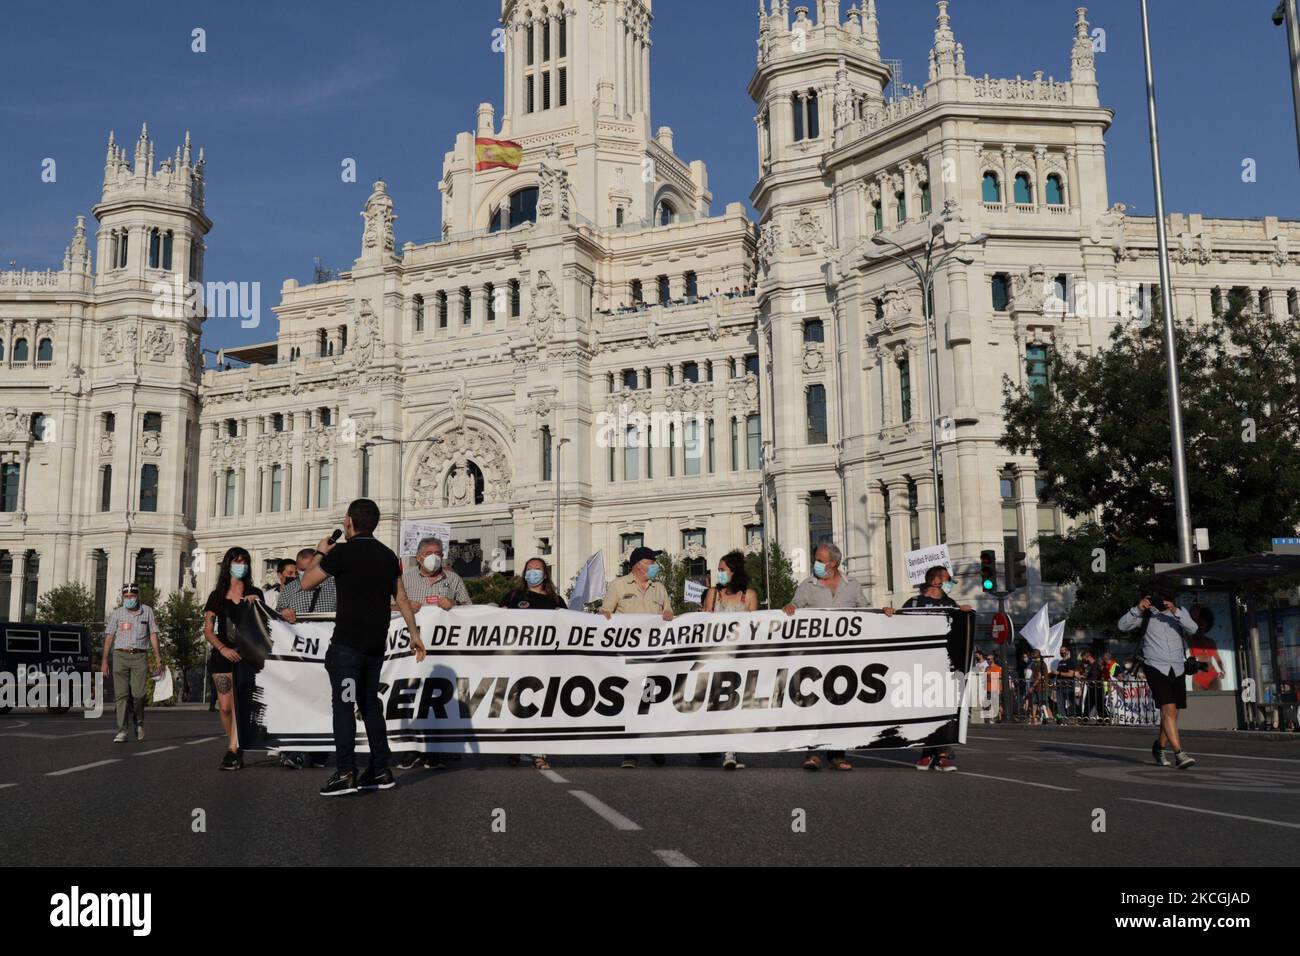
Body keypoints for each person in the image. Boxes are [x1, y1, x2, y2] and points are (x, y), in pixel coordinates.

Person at [302, 499, 426, 796]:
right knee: (370, 705)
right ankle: (380, 768)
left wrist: (321, 552)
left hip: (347, 646)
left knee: (344, 706)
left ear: (349, 522)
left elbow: (306, 582)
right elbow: (403, 597)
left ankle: (345, 771)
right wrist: (414, 633)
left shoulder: (341, 552)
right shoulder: (387, 555)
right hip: (374, 645)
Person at [783, 542, 893, 771]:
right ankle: (812, 754)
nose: (817, 564)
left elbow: (866, 611)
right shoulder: (808, 585)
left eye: (821, 560)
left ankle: (837, 754)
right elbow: (794, 606)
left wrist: (884, 613)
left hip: (844, 658)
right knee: (814, 704)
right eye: (816, 559)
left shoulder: (851, 585)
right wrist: (790, 607)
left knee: (839, 703)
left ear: (833, 563)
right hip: (815, 657)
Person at [601, 546, 674, 769]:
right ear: (637, 565)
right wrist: (603, 615)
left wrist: (670, 615)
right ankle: (630, 752)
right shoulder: (618, 586)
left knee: (653, 702)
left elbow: (669, 613)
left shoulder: (659, 588)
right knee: (631, 702)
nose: (655, 565)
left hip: (654, 658)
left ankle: (654, 746)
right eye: (651, 561)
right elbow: (605, 612)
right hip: (628, 658)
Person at [901, 565, 972, 771]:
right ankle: (926, 751)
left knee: (944, 709)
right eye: (947, 579)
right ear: (935, 582)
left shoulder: (950, 604)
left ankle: (941, 753)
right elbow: (899, 624)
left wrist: (964, 614)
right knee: (923, 710)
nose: (950, 583)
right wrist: (890, 613)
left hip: (944, 667)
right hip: (919, 666)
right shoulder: (914, 603)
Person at [498, 557, 565, 771]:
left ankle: (539, 754)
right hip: (516, 659)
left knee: (540, 706)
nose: (533, 573)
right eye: (529, 569)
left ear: (545, 574)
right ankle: (513, 750)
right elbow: (493, 620)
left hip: (544, 662)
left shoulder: (555, 600)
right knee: (515, 703)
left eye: (537, 569)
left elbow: (570, 626)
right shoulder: (514, 596)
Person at [1118, 588, 1197, 769]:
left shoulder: (1179, 613)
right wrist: (1138, 608)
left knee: (1173, 713)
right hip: (1155, 666)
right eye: (1157, 598)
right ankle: (1179, 753)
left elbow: (1193, 628)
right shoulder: (1145, 615)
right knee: (1167, 708)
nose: (1161, 602)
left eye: (1165, 598)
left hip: (1177, 667)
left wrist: (1175, 610)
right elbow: (1122, 626)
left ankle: (1160, 748)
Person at [201, 549, 265, 769]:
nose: (241, 565)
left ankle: (232, 749)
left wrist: (256, 603)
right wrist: (222, 648)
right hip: (222, 655)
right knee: (226, 706)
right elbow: (208, 630)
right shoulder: (216, 596)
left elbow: (264, 626)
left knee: (240, 705)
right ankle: (236, 744)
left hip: (247, 657)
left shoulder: (255, 592)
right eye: (237, 562)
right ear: (228, 565)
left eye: (244, 562)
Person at [703, 550, 758, 770]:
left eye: (722, 569)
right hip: (715, 657)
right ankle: (714, 743)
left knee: (734, 703)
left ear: (734, 571)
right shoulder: (713, 594)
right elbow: (704, 623)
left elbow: (757, 627)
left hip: (740, 658)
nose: (719, 574)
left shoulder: (749, 595)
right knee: (716, 703)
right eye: (718, 570)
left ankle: (730, 749)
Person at [101, 583, 164, 744]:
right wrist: (104, 661)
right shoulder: (117, 614)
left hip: (139, 656)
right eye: (126, 597)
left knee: (139, 695)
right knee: (121, 695)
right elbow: (109, 636)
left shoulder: (147, 611)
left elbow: (153, 634)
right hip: (120, 656)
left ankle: (139, 722)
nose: (129, 599)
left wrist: (158, 657)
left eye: (132, 596)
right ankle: (122, 730)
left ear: (137, 596)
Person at [398, 537, 471, 610]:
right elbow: (390, 606)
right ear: (418, 557)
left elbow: (468, 606)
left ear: (442, 556)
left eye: (437, 554)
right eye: (428, 553)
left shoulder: (453, 578)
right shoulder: (405, 579)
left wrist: (454, 603)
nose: (433, 557)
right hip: (416, 621)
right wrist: (404, 606)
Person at [277, 547, 338, 623]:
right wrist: (284, 612)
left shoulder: (336, 586)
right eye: (302, 570)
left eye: (310, 569)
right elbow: (278, 614)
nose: (306, 574)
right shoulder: (289, 589)